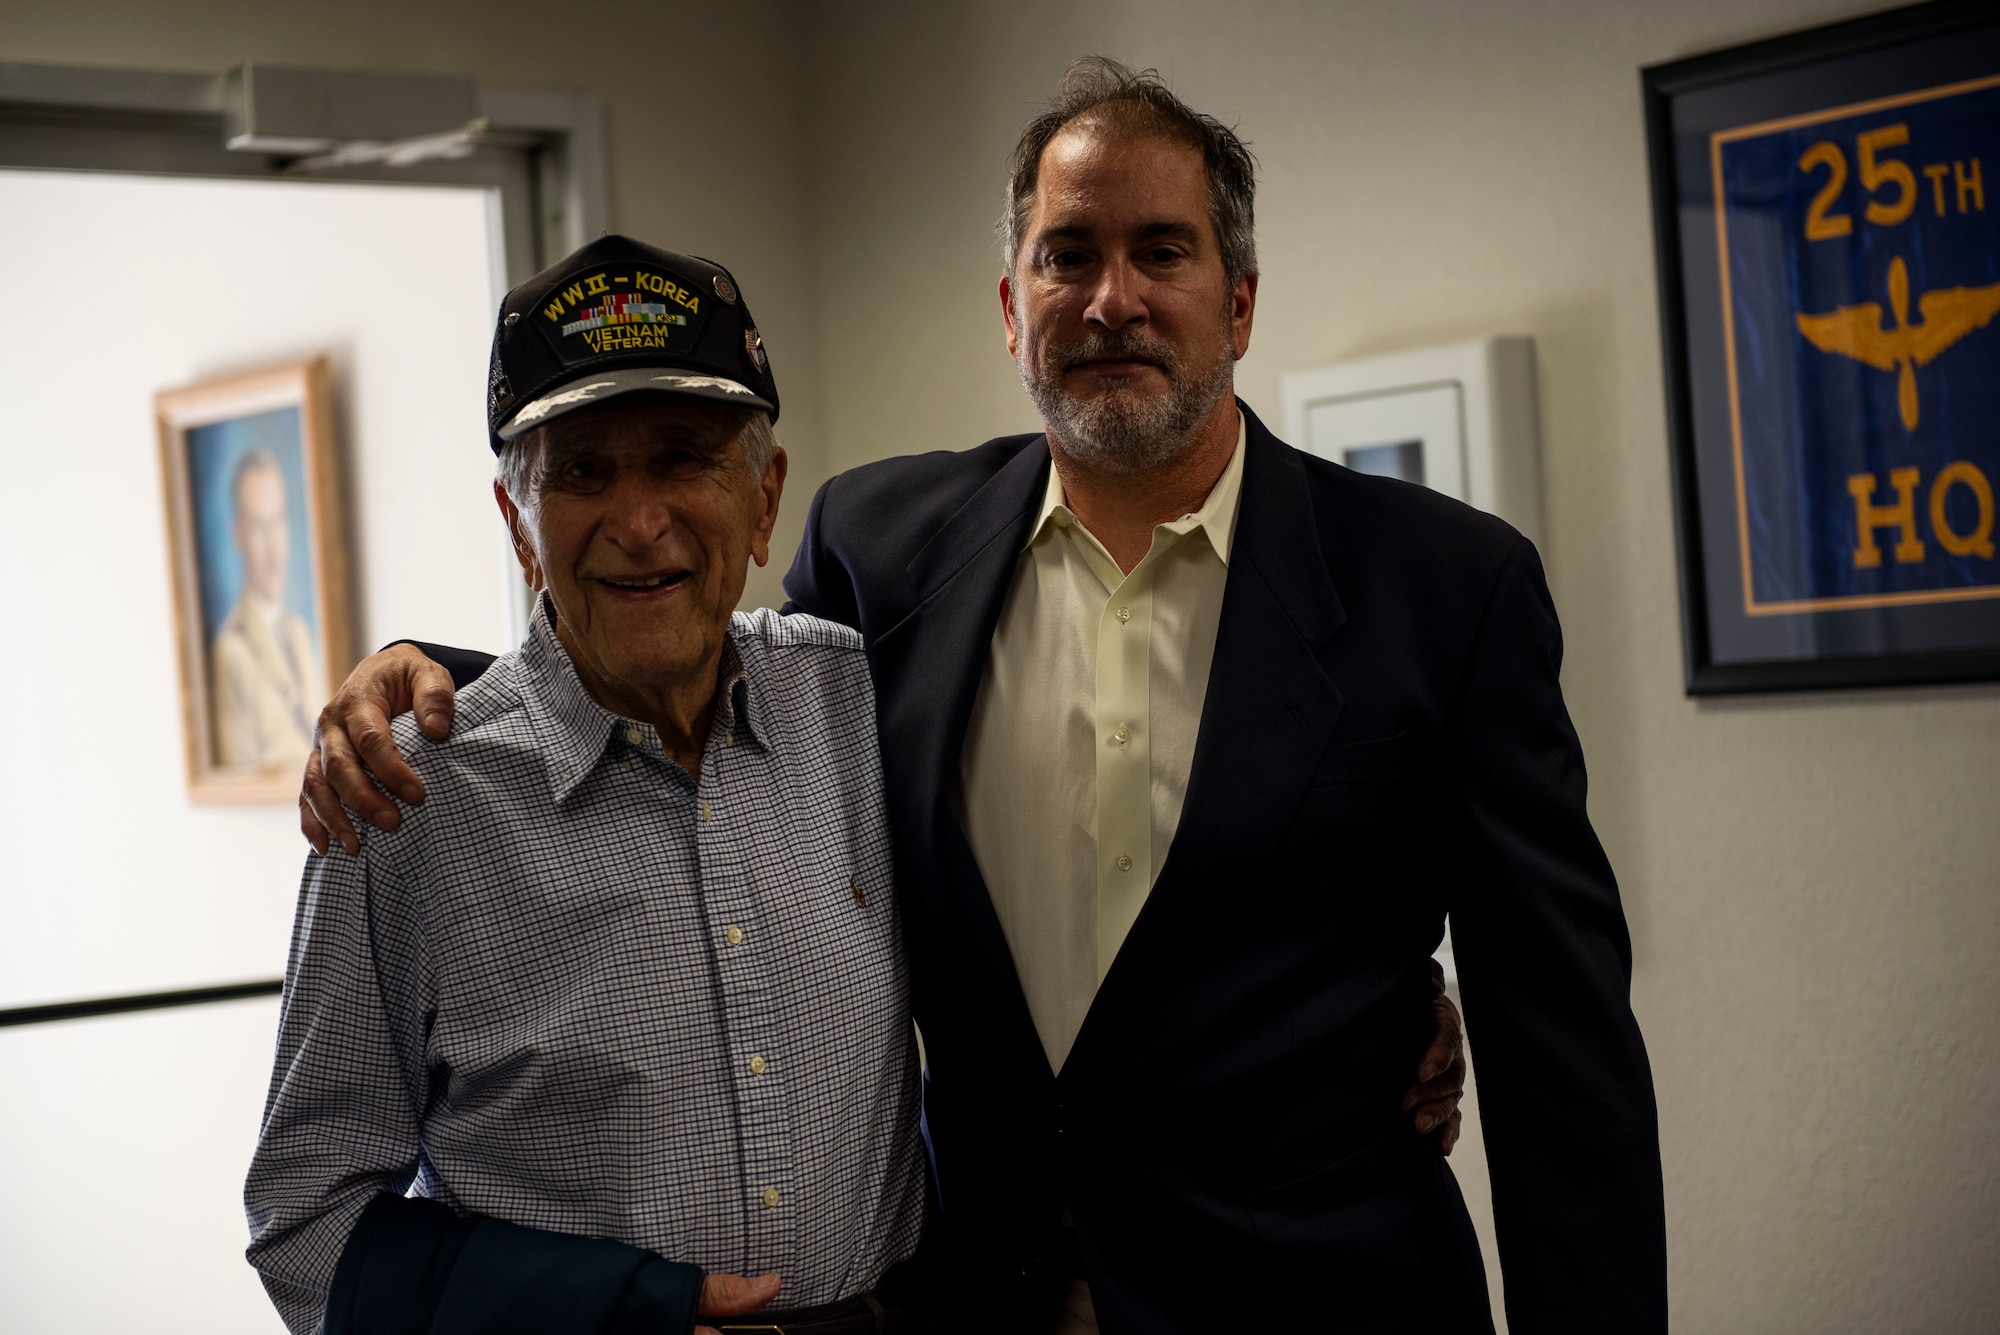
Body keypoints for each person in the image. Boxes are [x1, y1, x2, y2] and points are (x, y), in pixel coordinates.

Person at [301, 59, 1645, 1335]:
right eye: (1067, 255)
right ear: (1011, 308)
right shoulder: (881, 554)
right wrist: (431, 685)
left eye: (1160, 251)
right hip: (979, 1299)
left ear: (1239, 302)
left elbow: (1564, 1058)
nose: (1111, 296)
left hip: (1324, 1297)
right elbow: (676, 654)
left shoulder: (1444, 587)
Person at [245, 237, 931, 1335]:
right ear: (518, 522)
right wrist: (603, 1317)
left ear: (764, 498)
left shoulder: (863, 708)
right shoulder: (406, 802)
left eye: (682, 459)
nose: (639, 518)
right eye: (583, 472)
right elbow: (306, 1222)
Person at [212, 448, 324, 771]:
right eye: (259, 526)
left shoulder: (299, 633)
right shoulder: (231, 649)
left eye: (278, 521)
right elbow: (238, 775)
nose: (274, 545)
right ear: (239, 536)